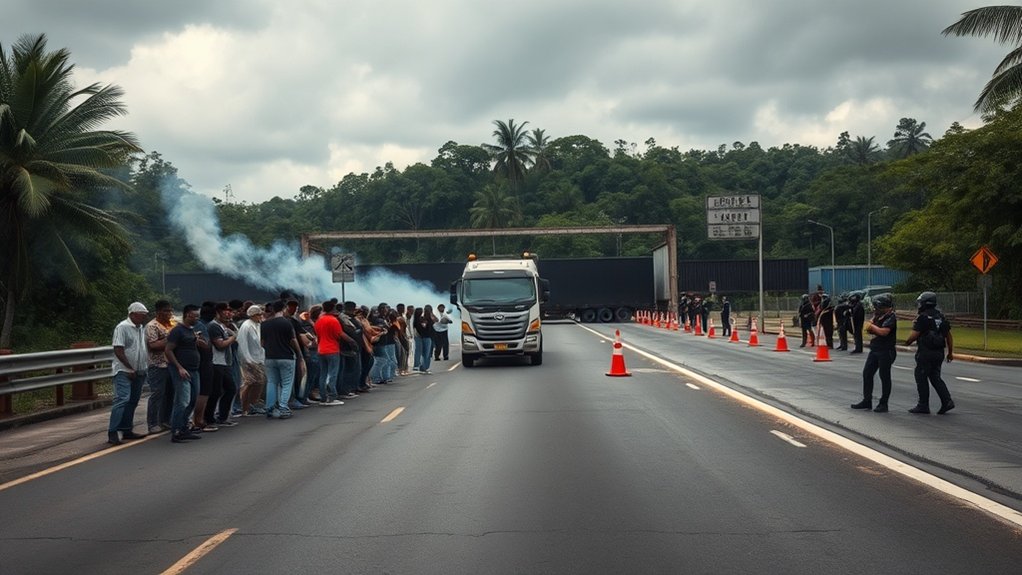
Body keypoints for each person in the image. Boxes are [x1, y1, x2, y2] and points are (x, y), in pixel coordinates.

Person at [905, 291, 955, 415]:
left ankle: (923, 405)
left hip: (925, 353)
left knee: (921, 377)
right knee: (935, 377)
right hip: (939, 353)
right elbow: (948, 336)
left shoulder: (923, 317)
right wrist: (950, 353)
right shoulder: (941, 317)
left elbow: (914, 335)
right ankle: (947, 400)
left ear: (925, 303)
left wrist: (906, 342)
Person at [108, 302, 150, 445]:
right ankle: (113, 431)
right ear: (132, 314)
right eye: (141, 315)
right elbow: (118, 349)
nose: (143, 318)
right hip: (124, 371)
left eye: (144, 316)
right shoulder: (123, 327)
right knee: (122, 399)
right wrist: (129, 367)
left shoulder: (140, 328)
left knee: (133, 401)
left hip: (139, 370)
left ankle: (126, 429)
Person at [165, 304, 207, 442]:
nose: (197, 319)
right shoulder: (177, 330)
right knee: (182, 401)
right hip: (181, 370)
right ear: (187, 315)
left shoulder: (191, 330)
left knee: (193, 400)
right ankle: (176, 430)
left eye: (198, 316)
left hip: (194, 369)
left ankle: (184, 428)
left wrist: (197, 341)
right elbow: (169, 350)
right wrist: (179, 368)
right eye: (195, 316)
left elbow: (190, 345)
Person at [851, 293, 897, 413]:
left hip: (886, 350)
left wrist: (872, 327)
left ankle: (884, 403)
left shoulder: (890, 317)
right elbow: (869, 327)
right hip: (875, 349)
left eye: (877, 307)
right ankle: (867, 400)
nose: (875, 309)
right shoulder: (878, 316)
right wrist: (871, 325)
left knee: (884, 376)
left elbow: (884, 332)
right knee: (867, 373)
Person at [261, 300, 304, 419]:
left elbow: (262, 343)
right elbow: (293, 340)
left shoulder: (264, 324)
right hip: (286, 356)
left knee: (272, 382)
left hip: (270, 357)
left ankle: (269, 407)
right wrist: (299, 354)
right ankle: (283, 407)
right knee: (286, 383)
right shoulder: (286, 323)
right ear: (284, 308)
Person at [145, 300, 175, 434]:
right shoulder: (152, 326)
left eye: (170, 311)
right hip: (158, 365)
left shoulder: (171, 324)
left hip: (171, 364)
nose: (169, 313)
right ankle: (152, 423)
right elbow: (153, 345)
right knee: (157, 394)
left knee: (170, 394)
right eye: (166, 311)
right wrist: (170, 339)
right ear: (158, 312)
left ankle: (165, 420)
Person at [207, 302, 239, 427]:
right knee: (216, 391)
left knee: (230, 389)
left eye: (230, 311)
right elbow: (220, 345)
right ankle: (210, 418)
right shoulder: (213, 326)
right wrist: (233, 338)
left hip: (225, 363)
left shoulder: (223, 327)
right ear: (218, 312)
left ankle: (222, 416)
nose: (228, 313)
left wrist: (231, 330)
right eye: (225, 311)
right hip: (217, 363)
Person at [236, 305, 267, 416]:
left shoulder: (258, 325)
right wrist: (247, 359)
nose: (261, 316)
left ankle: (252, 404)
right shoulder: (246, 326)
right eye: (259, 314)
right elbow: (242, 343)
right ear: (253, 315)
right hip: (248, 359)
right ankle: (244, 407)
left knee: (259, 381)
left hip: (258, 358)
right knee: (249, 382)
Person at [314, 300, 345, 405]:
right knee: (332, 374)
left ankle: (323, 397)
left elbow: (317, 335)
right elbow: (339, 335)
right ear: (333, 309)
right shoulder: (333, 320)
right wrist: (352, 342)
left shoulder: (319, 321)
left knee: (323, 374)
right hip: (332, 350)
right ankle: (332, 397)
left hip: (321, 350)